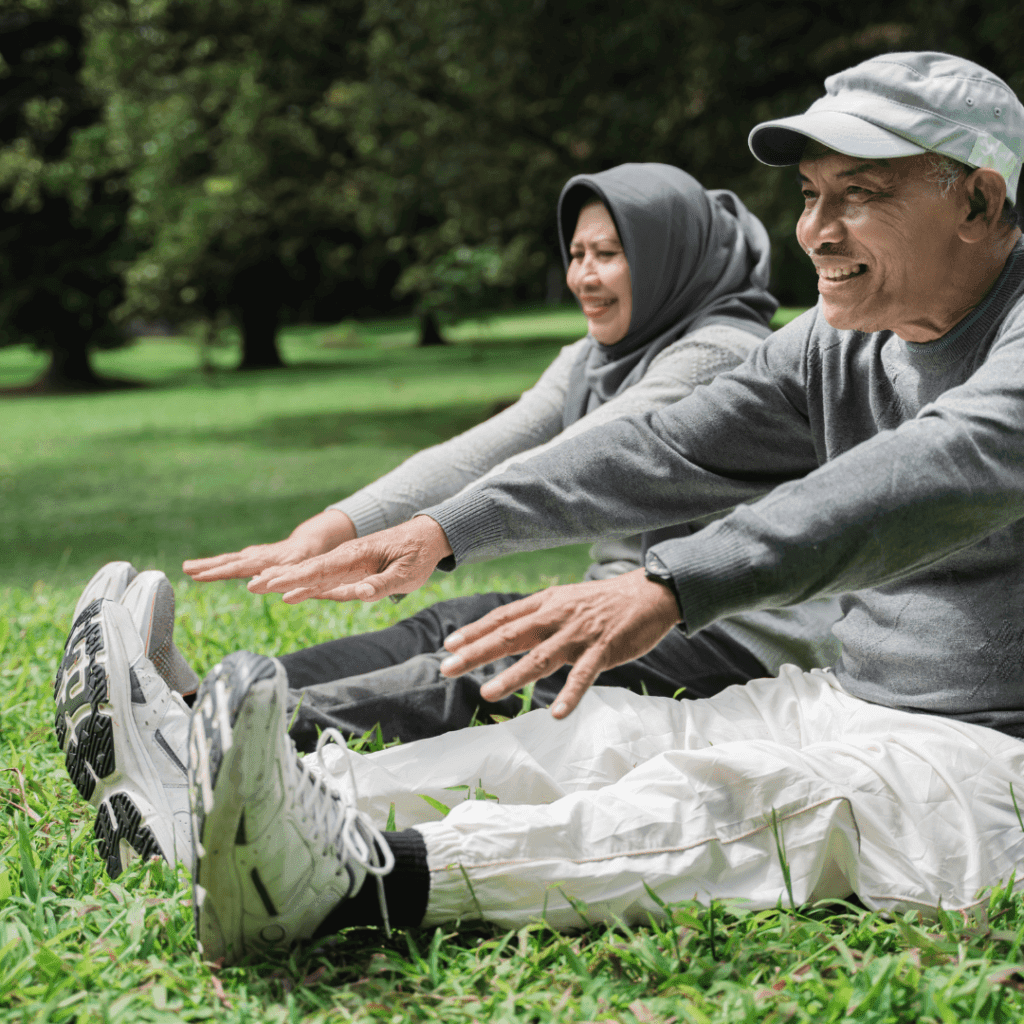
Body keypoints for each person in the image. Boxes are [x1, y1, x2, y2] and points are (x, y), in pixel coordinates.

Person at [57, 49, 1024, 967]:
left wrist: (669, 581)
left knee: (742, 806)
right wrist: (442, 529)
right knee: (594, 738)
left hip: (993, 754)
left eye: (861, 193)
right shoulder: (835, 341)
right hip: (851, 697)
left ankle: (358, 885)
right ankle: (212, 802)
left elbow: (940, 466)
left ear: (979, 200)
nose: (817, 229)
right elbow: (666, 444)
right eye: (813, 195)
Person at [177, 164, 840, 750]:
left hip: (726, 634)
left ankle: (210, 739)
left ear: (670, 258)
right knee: (447, 625)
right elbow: (480, 452)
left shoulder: (720, 354)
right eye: (576, 253)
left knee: (485, 673)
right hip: (615, 604)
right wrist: (333, 526)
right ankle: (193, 703)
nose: (584, 275)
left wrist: (434, 534)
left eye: (609, 253)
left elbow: (579, 462)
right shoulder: (594, 357)